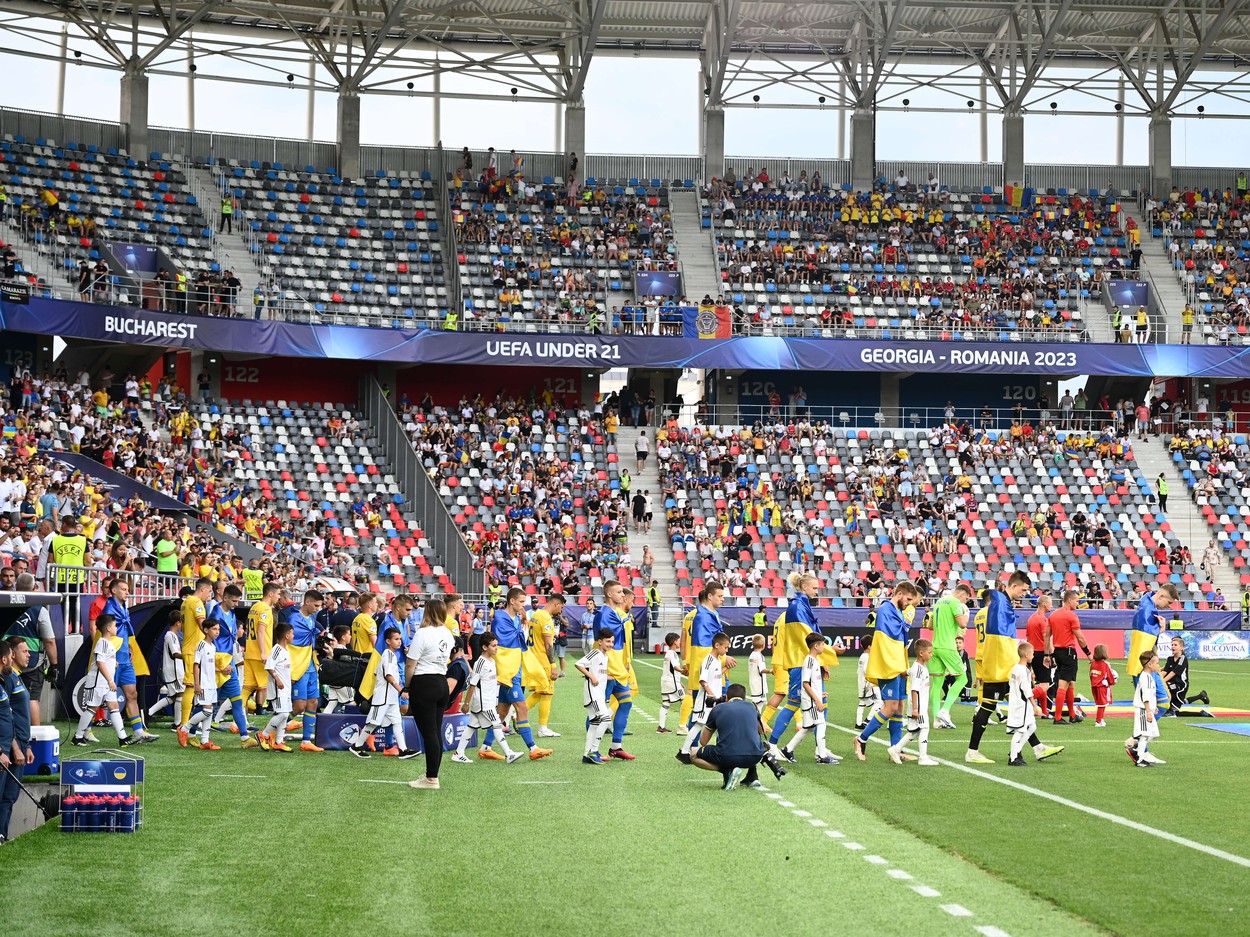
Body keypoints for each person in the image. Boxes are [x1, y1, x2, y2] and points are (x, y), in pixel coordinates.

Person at [966, 573, 1063, 765]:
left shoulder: (994, 606)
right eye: (1024, 590)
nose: (1025, 594)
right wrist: (1016, 664)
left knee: (1022, 707)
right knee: (987, 708)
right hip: (999, 667)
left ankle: (1038, 747)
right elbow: (1001, 640)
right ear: (1014, 586)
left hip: (995, 664)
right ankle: (972, 751)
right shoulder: (1000, 604)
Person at [765, 572, 837, 750]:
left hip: (808, 662)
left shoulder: (801, 606)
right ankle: (772, 745)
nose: (817, 592)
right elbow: (807, 638)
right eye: (814, 588)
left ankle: (821, 747)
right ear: (804, 587)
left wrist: (822, 661)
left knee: (822, 703)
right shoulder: (797, 607)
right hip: (800, 663)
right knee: (793, 703)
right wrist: (829, 651)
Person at [854, 582, 921, 761]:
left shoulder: (897, 612)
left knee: (898, 708)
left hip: (898, 665)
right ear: (899, 594)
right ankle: (860, 740)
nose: (909, 604)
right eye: (907, 599)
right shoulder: (885, 610)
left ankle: (895, 750)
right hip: (889, 667)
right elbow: (885, 641)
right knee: (890, 707)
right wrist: (894, 666)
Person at [490, 587, 554, 761]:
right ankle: (533, 748)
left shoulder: (516, 619)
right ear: (512, 601)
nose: (524, 605)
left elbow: (518, 644)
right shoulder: (500, 618)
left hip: (515, 668)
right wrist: (503, 672)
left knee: (502, 711)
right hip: (508, 672)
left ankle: (485, 747)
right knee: (522, 707)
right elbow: (499, 648)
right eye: (521, 602)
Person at [406, 602, 459, 790]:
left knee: (430, 733)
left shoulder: (422, 633)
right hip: (440, 682)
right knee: (435, 732)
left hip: (424, 682)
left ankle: (431, 778)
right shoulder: (447, 633)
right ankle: (432, 774)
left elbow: (411, 664)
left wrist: (407, 685)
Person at [101, 578, 156, 742]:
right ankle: (83, 731)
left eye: (127, 589)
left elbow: (124, 631)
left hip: (125, 659)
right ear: (114, 591)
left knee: (132, 694)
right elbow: (105, 636)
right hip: (114, 660)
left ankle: (139, 733)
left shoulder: (123, 607)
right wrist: (111, 657)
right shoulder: (109, 609)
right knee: (101, 697)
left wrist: (129, 647)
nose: (127, 592)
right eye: (124, 589)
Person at [349, 628, 417, 759]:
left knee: (397, 722)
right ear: (388, 641)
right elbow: (388, 675)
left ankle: (403, 749)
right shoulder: (387, 654)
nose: (399, 642)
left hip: (390, 698)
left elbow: (378, 672)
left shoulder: (390, 655)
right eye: (396, 639)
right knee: (373, 722)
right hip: (382, 698)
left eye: (399, 639)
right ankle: (356, 745)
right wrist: (401, 689)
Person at [3, 573, 60, 726]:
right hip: (32, 662)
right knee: (32, 698)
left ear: (16, 586)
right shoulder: (39, 610)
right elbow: (49, 640)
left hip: (5, 660)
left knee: (6, 696)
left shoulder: (4, 603)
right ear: (35, 587)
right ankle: (35, 736)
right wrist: (54, 665)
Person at [206, 584, 258, 747]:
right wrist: (219, 663)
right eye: (234, 601)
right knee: (208, 703)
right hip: (219, 659)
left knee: (237, 700)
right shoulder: (216, 612)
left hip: (229, 660)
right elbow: (212, 638)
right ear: (225, 597)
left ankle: (244, 738)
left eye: (238, 601)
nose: (236, 604)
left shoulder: (232, 613)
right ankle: (188, 729)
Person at [72, 614, 135, 747]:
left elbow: (105, 660)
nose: (116, 628)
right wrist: (111, 681)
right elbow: (100, 663)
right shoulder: (102, 643)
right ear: (108, 628)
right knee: (91, 709)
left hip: (106, 682)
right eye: (114, 625)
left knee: (114, 707)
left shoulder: (108, 643)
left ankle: (123, 738)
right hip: (98, 682)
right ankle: (77, 737)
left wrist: (114, 662)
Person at [690, 683, 768, 791]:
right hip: (755, 757)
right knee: (750, 739)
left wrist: (714, 717)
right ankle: (752, 776)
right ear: (744, 698)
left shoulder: (718, 708)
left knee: (693, 755)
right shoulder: (751, 706)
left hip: (727, 756)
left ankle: (726, 770)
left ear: (726, 697)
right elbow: (762, 730)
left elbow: (703, 741)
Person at [458, 632, 521, 764]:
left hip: (489, 701)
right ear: (484, 647)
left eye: (497, 645)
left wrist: (500, 682)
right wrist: (466, 703)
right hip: (483, 703)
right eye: (493, 646)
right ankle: (509, 753)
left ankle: (458, 753)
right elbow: (473, 684)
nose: (497, 648)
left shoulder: (492, 661)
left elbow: (488, 681)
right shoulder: (480, 663)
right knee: (497, 724)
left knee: (471, 726)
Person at [779, 632, 840, 764]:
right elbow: (805, 683)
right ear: (816, 646)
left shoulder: (814, 660)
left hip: (812, 699)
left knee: (809, 727)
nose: (824, 647)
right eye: (823, 644)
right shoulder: (809, 661)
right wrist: (817, 700)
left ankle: (787, 749)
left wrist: (820, 694)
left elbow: (812, 683)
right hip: (812, 701)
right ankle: (822, 756)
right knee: (821, 724)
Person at [598, 579, 637, 760]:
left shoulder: (616, 614)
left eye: (623, 592)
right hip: (608, 672)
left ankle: (616, 746)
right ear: (609, 594)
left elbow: (620, 644)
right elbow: (601, 645)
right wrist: (606, 669)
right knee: (599, 710)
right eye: (619, 592)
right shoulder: (604, 614)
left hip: (618, 669)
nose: (623, 595)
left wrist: (625, 661)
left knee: (626, 703)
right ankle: (593, 748)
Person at [678, 631, 730, 762]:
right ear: (717, 645)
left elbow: (716, 676)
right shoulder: (708, 659)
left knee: (719, 725)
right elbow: (703, 680)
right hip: (707, 701)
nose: (727, 650)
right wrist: (712, 695)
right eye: (726, 647)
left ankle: (721, 751)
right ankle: (684, 751)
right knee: (698, 726)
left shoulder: (717, 660)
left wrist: (725, 668)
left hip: (715, 699)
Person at [0, 637, 32, 842]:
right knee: (5, 796)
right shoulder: (8, 679)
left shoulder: (16, 677)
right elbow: (7, 715)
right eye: (24, 651)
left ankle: (4, 835)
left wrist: (26, 745)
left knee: (10, 796)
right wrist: (14, 748)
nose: (28, 654)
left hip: (17, 743)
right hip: (9, 747)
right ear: (9, 655)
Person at [928, 583, 972, 728]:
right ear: (962, 594)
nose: (966, 601)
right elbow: (963, 624)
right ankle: (945, 710)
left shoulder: (939, 602)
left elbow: (929, 626)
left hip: (934, 646)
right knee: (963, 678)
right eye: (966, 598)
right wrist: (966, 612)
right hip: (947, 646)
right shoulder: (955, 602)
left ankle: (936, 720)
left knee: (937, 684)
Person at [288, 590, 326, 753]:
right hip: (298, 667)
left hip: (310, 665)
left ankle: (305, 741)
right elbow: (290, 645)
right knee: (299, 706)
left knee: (313, 702)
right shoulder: (294, 619)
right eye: (316, 605)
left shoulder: (311, 620)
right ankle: (273, 730)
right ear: (307, 602)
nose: (318, 608)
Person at [889, 638, 937, 766]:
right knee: (924, 728)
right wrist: (916, 709)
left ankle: (895, 749)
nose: (931, 655)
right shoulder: (919, 669)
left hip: (919, 705)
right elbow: (914, 690)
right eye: (929, 652)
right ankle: (923, 758)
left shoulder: (918, 667)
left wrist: (903, 673)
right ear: (921, 653)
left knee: (914, 731)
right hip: (918, 706)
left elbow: (906, 673)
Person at [177, 617, 223, 751]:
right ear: (206, 630)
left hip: (212, 683)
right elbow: (196, 665)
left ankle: (205, 740)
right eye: (214, 629)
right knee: (207, 711)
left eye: (218, 629)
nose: (217, 632)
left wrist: (221, 670)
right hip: (203, 684)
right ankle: (184, 728)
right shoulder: (201, 645)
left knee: (210, 711)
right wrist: (197, 684)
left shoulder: (213, 646)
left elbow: (209, 665)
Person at [1047, 589, 1091, 725]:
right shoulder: (1071, 616)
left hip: (1057, 651)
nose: (1078, 604)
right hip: (1069, 652)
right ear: (1070, 600)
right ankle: (1058, 717)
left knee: (1071, 683)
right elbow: (1080, 638)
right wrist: (1089, 654)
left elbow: (1047, 636)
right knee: (1063, 685)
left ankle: (1072, 715)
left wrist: (1047, 654)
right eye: (1077, 601)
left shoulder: (1053, 615)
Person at [523, 594, 563, 738]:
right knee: (547, 693)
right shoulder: (546, 618)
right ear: (557, 604)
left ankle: (517, 713)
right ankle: (542, 728)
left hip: (533, 658)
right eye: (561, 607)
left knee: (540, 692)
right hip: (543, 660)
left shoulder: (536, 614)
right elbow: (548, 644)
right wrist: (553, 664)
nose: (561, 610)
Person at [179, 577, 213, 736]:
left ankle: (188, 725)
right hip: (194, 649)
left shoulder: (185, 602)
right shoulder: (196, 603)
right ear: (203, 589)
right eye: (209, 591)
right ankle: (184, 726)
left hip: (190, 646)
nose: (209, 595)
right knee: (191, 686)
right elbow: (202, 625)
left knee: (193, 686)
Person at [241, 581, 280, 715]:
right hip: (259, 653)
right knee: (262, 685)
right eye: (277, 594)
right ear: (270, 594)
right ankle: (260, 709)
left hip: (250, 651)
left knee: (247, 687)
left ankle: (238, 713)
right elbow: (261, 631)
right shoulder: (265, 609)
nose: (278, 597)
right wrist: (264, 652)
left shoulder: (255, 606)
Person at [577, 628, 614, 765]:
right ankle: (594, 750)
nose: (610, 644)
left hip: (599, 694)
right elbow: (579, 664)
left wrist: (609, 677)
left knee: (594, 724)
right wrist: (591, 676)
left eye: (612, 642)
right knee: (605, 719)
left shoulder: (605, 656)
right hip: (593, 693)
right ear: (600, 642)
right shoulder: (595, 652)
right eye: (607, 641)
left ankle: (587, 755)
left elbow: (599, 674)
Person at [1127, 584, 1178, 684]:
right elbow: (1146, 640)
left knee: (1154, 696)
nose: (1169, 605)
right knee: (1159, 696)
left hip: (1145, 663)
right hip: (1146, 665)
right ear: (1161, 596)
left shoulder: (1146, 604)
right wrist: (1161, 629)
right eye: (1169, 602)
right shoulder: (1147, 610)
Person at [259, 622, 294, 752]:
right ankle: (264, 735)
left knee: (285, 714)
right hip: (278, 690)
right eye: (292, 633)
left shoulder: (286, 650)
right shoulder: (277, 649)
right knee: (283, 714)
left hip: (286, 689)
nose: (293, 636)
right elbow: (269, 666)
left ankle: (279, 741)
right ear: (286, 635)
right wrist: (278, 680)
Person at [148, 608, 184, 727]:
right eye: (182, 622)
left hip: (174, 670)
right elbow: (175, 654)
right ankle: (177, 724)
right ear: (178, 622)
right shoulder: (171, 635)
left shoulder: (172, 635)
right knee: (180, 694)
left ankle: (149, 712)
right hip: (174, 671)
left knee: (173, 696)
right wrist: (188, 656)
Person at [1128, 651, 1164, 766]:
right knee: (1145, 734)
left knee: (1153, 733)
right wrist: (1148, 711)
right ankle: (1140, 759)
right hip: (1144, 711)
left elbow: (1150, 695)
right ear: (1150, 664)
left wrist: (1153, 708)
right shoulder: (1146, 678)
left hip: (1148, 710)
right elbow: (1146, 697)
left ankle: (1137, 748)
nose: (1158, 666)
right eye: (1157, 663)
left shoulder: (1148, 677)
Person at [1006, 643, 1039, 767]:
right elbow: (1026, 690)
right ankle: (1014, 758)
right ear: (1026, 654)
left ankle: (1016, 750)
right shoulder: (1023, 670)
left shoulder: (1016, 668)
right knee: (1020, 730)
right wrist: (1034, 705)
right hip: (1022, 704)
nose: (1033, 656)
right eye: (1032, 653)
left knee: (1032, 727)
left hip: (1016, 702)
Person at [1160, 636, 1210, 714]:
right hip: (1172, 683)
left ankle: (1201, 713)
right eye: (1172, 645)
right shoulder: (1170, 659)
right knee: (1165, 688)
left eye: (1175, 645)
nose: (1173, 647)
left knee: (1174, 708)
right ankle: (1200, 696)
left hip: (1181, 684)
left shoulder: (1183, 658)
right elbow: (1165, 671)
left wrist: (1162, 681)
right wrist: (1158, 680)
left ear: (1182, 647)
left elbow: (1174, 672)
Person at [1024, 593, 1054, 718]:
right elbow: (1046, 638)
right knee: (1045, 684)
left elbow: (1027, 638)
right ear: (1044, 604)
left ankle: (1045, 712)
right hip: (1042, 653)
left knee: (1040, 682)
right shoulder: (1042, 620)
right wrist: (1052, 654)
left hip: (1032, 653)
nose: (1051, 605)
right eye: (1050, 603)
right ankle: (1025, 700)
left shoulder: (1031, 618)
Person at [657, 631, 686, 733]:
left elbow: (671, 670)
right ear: (674, 642)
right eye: (678, 641)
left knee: (665, 703)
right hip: (672, 683)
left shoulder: (668, 653)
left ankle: (661, 727)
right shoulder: (672, 654)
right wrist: (684, 671)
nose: (680, 642)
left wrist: (680, 681)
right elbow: (675, 667)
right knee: (685, 701)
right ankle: (683, 725)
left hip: (665, 681)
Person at [855, 634, 881, 729]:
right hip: (869, 684)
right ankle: (868, 720)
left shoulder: (862, 656)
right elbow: (867, 670)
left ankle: (858, 723)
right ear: (869, 646)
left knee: (862, 702)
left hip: (862, 684)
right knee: (880, 702)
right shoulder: (868, 657)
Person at [1089, 644, 1117, 727]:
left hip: (1094, 686)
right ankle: (1098, 721)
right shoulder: (1105, 665)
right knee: (1102, 704)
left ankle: (1101, 718)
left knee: (1101, 703)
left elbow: (1091, 675)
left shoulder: (1093, 664)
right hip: (1102, 687)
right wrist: (1113, 681)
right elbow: (1109, 676)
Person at [747, 633, 770, 717]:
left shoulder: (752, 655)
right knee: (758, 707)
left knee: (756, 705)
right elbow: (762, 670)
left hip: (753, 683)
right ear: (763, 645)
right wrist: (771, 671)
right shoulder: (760, 656)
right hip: (760, 685)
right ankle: (757, 725)